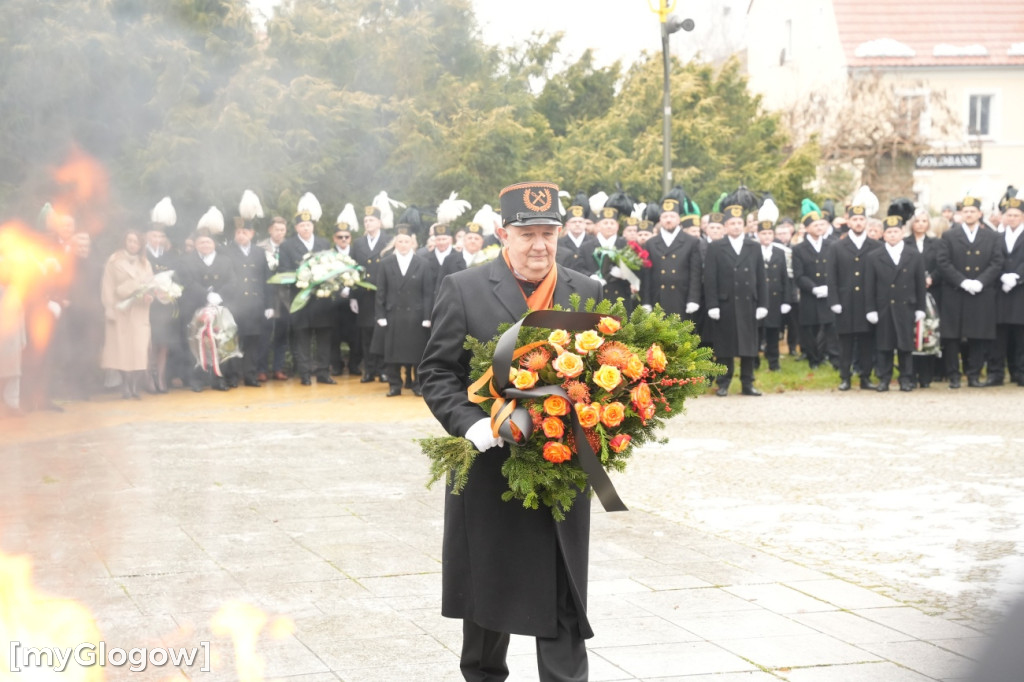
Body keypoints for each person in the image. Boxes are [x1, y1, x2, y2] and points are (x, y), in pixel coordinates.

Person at [419, 181, 602, 682]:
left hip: (562, 471)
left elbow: (605, 374)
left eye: (550, 232)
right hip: (491, 468)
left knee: (564, 592)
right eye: (528, 234)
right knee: (487, 598)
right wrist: (471, 422)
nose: (540, 245)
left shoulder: (587, 290)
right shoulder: (465, 287)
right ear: (503, 233)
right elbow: (435, 372)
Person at [935, 195, 1004, 388]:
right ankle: (954, 376)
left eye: (972, 211)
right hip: (955, 291)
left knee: (978, 335)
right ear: (961, 214)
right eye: (965, 212)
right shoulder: (949, 235)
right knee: (952, 337)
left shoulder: (992, 236)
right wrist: (962, 281)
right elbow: (943, 262)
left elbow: (997, 262)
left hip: (981, 292)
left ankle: (973, 374)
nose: (969, 214)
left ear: (980, 214)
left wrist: (981, 282)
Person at [704, 196, 768, 396]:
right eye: (732, 223)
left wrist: (763, 304)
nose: (736, 226)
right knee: (725, 346)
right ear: (725, 226)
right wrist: (712, 304)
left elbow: (761, 277)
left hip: (749, 302)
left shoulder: (753, 246)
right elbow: (710, 278)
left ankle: (748, 383)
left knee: (749, 346)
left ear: (745, 225)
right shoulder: (716, 247)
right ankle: (723, 383)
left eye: (739, 223)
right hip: (726, 303)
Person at [865, 213, 927, 391]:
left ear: (902, 233)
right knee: (884, 345)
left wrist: (920, 307)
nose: (892, 235)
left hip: (906, 306)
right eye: (889, 232)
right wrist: (870, 309)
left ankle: (906, 378)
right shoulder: (874, 256)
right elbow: (869, 285)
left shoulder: (913, 255)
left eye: (896, 231)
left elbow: (919, 283)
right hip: (883, 306)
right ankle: (884, 378)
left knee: (904, 345)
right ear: (884, 234)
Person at [279, 194, 335, 386]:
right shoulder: (287, 246)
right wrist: (303, 277)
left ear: (313, 226)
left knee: (323, 339)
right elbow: (284, 271)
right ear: (296, 228)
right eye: (302, 226)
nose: (305, 228)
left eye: (308, 225)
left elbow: (331, 267)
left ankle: (323, 373)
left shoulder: (323, 243)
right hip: (301, 298)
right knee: (302, 338)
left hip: (321, 299)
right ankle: (304, 373)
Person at [828, 196, 882, 390]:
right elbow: (831, 276)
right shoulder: (837, 247)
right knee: (846, 342)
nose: (858, 223)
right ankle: (845, 377)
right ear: (848, 221)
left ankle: (865, 377)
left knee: (867, 341)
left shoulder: (876, 246)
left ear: (866, 222)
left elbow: (879, 278)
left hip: (867, 302)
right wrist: (834, 299)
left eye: (861, 219)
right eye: (855, 220)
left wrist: (877, 304)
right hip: (845, 301)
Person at [375, 225, 435, 396]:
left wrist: (427, 316)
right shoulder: (386, 263)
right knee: (392, 352)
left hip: (416, 316)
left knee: (417, 353)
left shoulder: (422, 263)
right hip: (393, 314)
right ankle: (395, 385)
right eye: (400, 241)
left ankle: (417, 385)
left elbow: (427, 293)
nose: (403, 244)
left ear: (412, 244)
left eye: (406, 241)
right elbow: (381, 291)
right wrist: (380, 315)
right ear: (395, 243)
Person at [180, 223, 238, 392]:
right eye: (201, 242)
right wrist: (205, 295)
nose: (205, 245)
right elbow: (187, 282)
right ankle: (197, 379)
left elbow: (233, 281)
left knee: (221, 341)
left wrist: (219, 295)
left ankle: (219, 378)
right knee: (196, 340)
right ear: (196, 244)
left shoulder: (225, 260)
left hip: (220, 307)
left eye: (208, 242)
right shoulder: (186, 261)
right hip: (195, 307)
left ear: (214, 244)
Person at [100, 230, 154, 399]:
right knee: (122, 352)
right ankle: (125, 386)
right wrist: (109, 307)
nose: (132, 244)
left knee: (139, 350)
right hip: (120, 311)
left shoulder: (145, 263)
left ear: (140, 245)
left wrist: (148, 296)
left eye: (136, 242)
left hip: (139, 312)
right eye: (130, 241)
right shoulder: (114, 260)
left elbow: (151, 285)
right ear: (125, 242)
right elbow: (108, 286)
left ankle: (134, 386)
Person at [225, 216, 272, 387]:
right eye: (238, 232)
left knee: (253, 341)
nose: (241, 235)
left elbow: (266, 279)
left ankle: (250, 375)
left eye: (244, 232)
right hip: (235, 305)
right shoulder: (227, 251)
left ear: (252, 233)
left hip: (255, 304)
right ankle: (233, 376)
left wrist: (269, 305)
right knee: (234, 341)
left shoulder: (259, 252)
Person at [792, 200, 837, 369]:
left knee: (829, 327)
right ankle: (813, 359)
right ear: (807, 228)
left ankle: (829, 356)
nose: (819, 227)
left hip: (828, 293)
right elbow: (798, 275)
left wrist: (829, 287)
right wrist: (813, 288)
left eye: (821, 224)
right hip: (810, 294)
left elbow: (835, 269)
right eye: (815, 225)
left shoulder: (831, 245)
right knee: (809, 328)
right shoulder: (799, 249)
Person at [640, 197, 702, 319]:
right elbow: (646, 275)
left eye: (672, 216)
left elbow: (695, 273)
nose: (669, 220)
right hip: (657, 298)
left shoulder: (691, 241)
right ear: (660, 219)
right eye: (665, 216)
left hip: (682, 298)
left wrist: (693, 299)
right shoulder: (651, 243)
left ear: (679, 219)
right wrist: (646, 301)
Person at [351, 204, 389, 383]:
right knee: (366, 333)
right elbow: (352, 270)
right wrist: (352, 296)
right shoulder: (358, 243)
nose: (368, 223)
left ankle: (383, 369)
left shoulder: (389, 241)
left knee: (381, 332)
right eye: (365, 220)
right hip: (364, 295)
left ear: (379, 222)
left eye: (371, 220)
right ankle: (369, 369)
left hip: (383, 294)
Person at [990, 194, 1024, 386]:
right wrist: (1002, 275)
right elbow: (993, 258)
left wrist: (1017, 277)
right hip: (1000, 290)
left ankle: (1020, 372)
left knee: (1020, 335)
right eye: (1009, 215)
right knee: (999, 335)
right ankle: (996, 373)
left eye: (1016, 215)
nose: (1011, 218)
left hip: (1020, 291)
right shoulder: (998, 237)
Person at [906, 209, 942, 387]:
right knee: (911, 334)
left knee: (928, 333)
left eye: (924, 221)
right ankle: (910, 374)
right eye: (917, 221)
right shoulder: (905, 243)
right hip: (909, 293)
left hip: (931, 293)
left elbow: (942, 264)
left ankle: (926, 376)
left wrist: (931, 278)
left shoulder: (935, 243)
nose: (920, 224)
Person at [256, 216, 291, 381]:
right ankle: (261, 369)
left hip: (286, 297)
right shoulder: (260, 247)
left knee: (282, 335)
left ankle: (278, 368)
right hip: (267, 296)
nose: (279, 233)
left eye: (282, 230)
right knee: (264, 334)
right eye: (276, 229)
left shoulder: (290, 246)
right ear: (270, 230)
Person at [757, 219, 792, 371]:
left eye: (770, 233)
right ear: (758, 235)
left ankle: (774, 363)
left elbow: (785, 278)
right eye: (763, 233)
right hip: (758, 299)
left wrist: (786, 300)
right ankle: (754, 362)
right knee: (756, 332)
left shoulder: (779, 252)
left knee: (773, 332)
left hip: (775, 299)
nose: (767, 236)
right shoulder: (753, 250)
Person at [556, 203, 597, 276]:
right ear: (567, 225)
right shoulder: (559, 243)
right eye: (574, 222)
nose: (577, 224)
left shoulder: (594, 242)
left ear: (585, 224)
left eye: (580, 222)